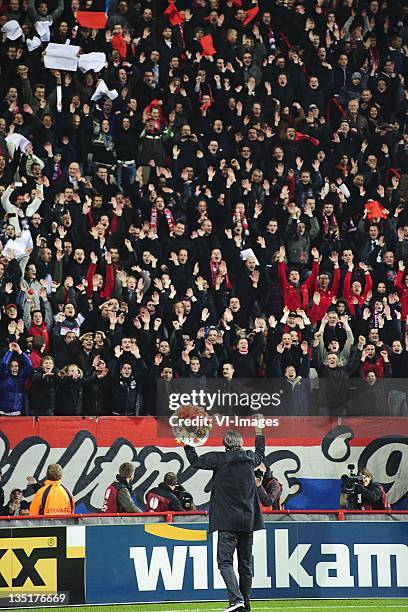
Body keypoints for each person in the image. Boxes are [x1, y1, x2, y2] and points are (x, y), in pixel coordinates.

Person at [184, 428, 265, 612]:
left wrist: (187, 442)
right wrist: (259, 430)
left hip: (227, 523)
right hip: (248, 522)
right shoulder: (250, 457)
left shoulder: (218, 459)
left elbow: (195, 461)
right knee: (245, 565)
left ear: (225, 444)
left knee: (225, 562)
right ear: (241, 443)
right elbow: (261, 453)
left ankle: (236, 600)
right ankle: (245, 603)